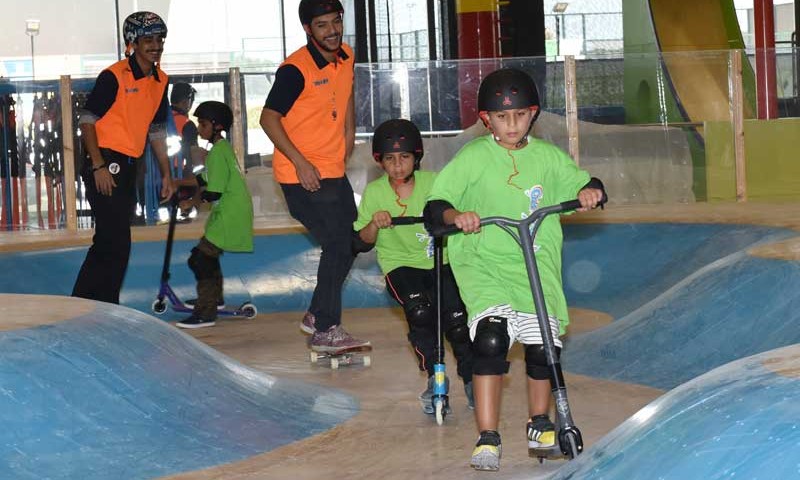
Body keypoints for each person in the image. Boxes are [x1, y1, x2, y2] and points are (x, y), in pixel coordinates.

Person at [424, 68, 606, 471]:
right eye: (502, 117)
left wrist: (589, 192)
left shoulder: (547, 158)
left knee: (544, 347)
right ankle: (487, 434)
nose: (512, 125)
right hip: (483, 263)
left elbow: (580, 184)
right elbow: (437, 204)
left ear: (533, 114)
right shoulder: (473, 157)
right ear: (486, 119)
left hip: (535, 265)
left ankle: (539, 423)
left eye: (520, 115)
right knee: (490, 339)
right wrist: (458, 216)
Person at [260, 0, 369, 352]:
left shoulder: (346, 55)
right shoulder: (295, 70)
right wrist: (301, 162)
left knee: (352, 239)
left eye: (336, 22)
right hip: (301, 176)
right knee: (338, 242)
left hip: (333, 169)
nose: (332, 30)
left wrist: (350, 131)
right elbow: (268, 119)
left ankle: (317, 313)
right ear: (308, 29)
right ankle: (326, 328)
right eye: (322, 25)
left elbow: (346, 91)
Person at [353, 119, 474, 412]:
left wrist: (457, 216)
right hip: (401, 266)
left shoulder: (434, 183)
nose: (398, 165)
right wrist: (374, 223)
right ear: (379, 161)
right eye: (390, 159)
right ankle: (435, 376)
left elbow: (451, 211)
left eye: (404, 157)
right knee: (420, 312)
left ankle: (472, 379)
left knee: (457, 322)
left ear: (416, 157)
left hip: (440, 261)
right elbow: (362, 241)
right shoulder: (375, 193)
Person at [72, 11, 174, 304]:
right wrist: (98, 165)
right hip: (105, 161)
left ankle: (87, 302)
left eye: (159, 39)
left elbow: (156, 131)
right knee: (116, 239)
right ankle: (100, 304)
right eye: (148, 39)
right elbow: (87, 121)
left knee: (110, 238)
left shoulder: (160, 80)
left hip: (130, 164)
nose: (155, 45)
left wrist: (166, 174)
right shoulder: (114, 76)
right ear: (132, 42)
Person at [176, 101, 254, 329]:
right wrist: (175, 183)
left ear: (216, 126)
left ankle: (206, 311)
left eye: (202, 124)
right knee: (204, 257)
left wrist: (190, 202)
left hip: (230, 214)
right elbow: (204, 180)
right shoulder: (220, 149)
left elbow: (212, 192)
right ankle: (214, 299)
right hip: (229, 212)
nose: (199, 128)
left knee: (201, 259)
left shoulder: (218, 152)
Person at [169, 82, 200, 178]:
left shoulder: (159, 120)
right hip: (179, 174)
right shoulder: (187, 125)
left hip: (156, 175)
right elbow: (193, 157)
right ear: (185, 102)